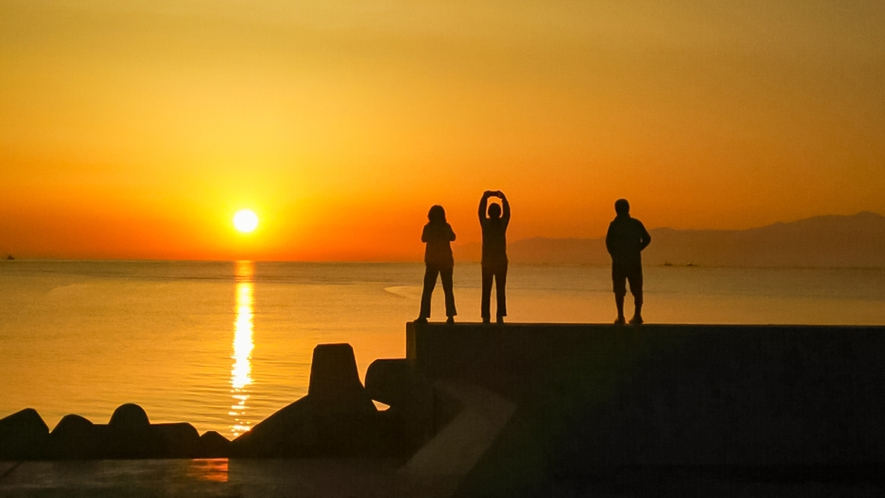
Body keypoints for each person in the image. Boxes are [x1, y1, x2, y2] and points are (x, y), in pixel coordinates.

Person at [605, 199, 651, 325]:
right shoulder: (632, 224)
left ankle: (628, 316)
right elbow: (609, 243)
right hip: (629, 261)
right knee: (631, 289)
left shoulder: (618, 225)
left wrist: (617, 254)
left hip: (622, 262)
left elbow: (609, 243)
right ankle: (628, 315)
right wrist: (636, 249)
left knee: (624, 289)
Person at [416, 205, 457, 324]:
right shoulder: (446, 226)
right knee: (448, 289)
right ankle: (450, 316)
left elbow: (423, 239)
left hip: (432, 262)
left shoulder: (428, 227)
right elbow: (453, 237)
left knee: (427, 290)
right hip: (446, 262)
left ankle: (423, 316)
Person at [479, 190, 510, 324]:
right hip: (500, 262)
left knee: (486, 290)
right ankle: (500, 316)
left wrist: (486, 196)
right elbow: (508, 214)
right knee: (500, 290)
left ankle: (486, 316)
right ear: (498, 213)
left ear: (489, 213)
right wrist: (504, 199)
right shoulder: (501, 225)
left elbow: (480, 212)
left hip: (487, 262)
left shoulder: (486, 225)